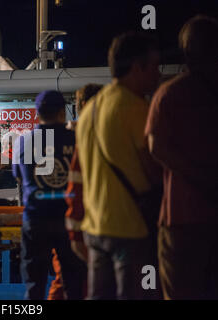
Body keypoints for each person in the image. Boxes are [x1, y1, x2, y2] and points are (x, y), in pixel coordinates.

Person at [75, 32, 162, 299]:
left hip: (94, 228)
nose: (158, 75)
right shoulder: (135, 107)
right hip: (128, 227)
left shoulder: (90, 109)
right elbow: (153, 166)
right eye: (154, 67)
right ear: (137, 67)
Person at [146, 15, 218, 300]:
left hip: (183, 220)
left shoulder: (169, 94)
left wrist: (195, 176)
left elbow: (155, 148)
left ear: (186, 50)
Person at [13, 90, 86, 300]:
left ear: (38, 113)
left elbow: (19, 177)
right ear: (63, 112)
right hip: (69, 220)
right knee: (73, 283)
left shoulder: (24, 142)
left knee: (34, 285)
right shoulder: (76, 139)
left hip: (35, 220)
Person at [48, 83, 103, 300]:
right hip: (97, 219)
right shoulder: (107, 136)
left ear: (78, 106)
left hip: (66, 218)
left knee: (65, 280)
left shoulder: (63, 137)